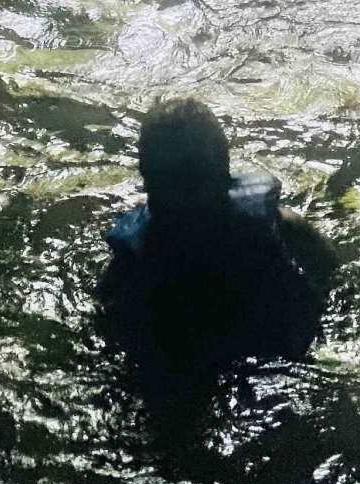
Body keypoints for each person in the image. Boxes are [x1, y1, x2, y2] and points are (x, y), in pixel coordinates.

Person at [99, 97, 337, 369]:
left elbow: (334, 276)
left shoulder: (283, 227)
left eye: (190, 177)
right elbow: (108, 334)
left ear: (224, 170)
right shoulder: (132, 262)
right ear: (145, 175)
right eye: (162, 178)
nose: (176, 195)